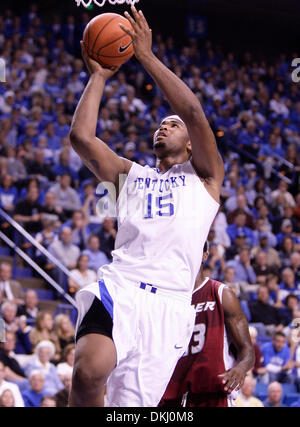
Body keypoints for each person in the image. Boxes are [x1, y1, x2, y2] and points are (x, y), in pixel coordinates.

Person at [69, 6, 224, 407]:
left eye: (173, 124)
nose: (164, 125)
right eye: (160, 123)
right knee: (89, 371)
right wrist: (99, 76)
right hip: (121, 286)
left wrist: (146, 57)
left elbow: (192, 110)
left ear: (191, 143)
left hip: (169, 306)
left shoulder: (206, 178)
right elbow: (83, 138)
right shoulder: (129, 176)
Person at [159, 242, 254, 407]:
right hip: (174, 394)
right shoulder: (168, 299)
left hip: (212, 392)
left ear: (204, 256)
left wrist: (240, 368)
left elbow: (247, 349)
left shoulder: (221, 293)